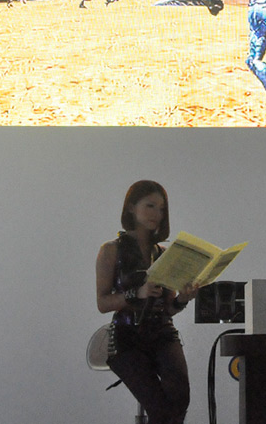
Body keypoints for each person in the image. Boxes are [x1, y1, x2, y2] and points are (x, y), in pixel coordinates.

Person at [95, 180, 197, 424]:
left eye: (161, 209)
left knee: (180, 398)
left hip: (162, 332)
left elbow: (168, 308)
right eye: (150, 206)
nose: (157, 214)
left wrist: (182, 299)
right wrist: (135, 294)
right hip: (127, 336)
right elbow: (102, 303)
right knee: (159, 408)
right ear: (131, 207)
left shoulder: (163, 253)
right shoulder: (111, 250)